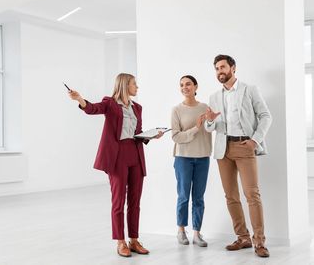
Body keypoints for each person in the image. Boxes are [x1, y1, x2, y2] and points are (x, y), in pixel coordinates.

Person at [68, 73, 162, 258]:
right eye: (135, 84)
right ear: (126, 85)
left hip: (135, 154)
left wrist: (151, 135)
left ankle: (134, 240)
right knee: (118, 200)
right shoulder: (110, 103)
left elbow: (137, 132)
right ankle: (120, 242)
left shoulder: (138, 107)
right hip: (118, 156)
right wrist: (79, 99)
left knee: (135, 201)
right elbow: (92, 109)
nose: (137, 87)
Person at [204, 55, 272, 258]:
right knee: (231, 196)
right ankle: (242, 237)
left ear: (233, 68)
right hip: (223, 149)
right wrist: (209, 122)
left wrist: (255, 140)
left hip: (244, 145)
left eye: (222, 67)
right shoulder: (215, 96)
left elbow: (266, 116)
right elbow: (211, 127)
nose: (219, 71)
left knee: (252, 195)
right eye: (216, 68)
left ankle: (259, 241)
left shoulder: (249, 90)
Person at [171, 75, 212, 247]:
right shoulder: (176, 110)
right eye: (181, 85)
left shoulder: (205, 107)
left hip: (203, 157)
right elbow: (176, 136)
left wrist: (212, 121)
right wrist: (196, 127)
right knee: (183, 196)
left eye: (188, 84)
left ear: (196, 86)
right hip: (183, 158)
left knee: (199, 197)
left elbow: (211, 128)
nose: (185, 87)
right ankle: (181, 231)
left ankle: (197, 233)